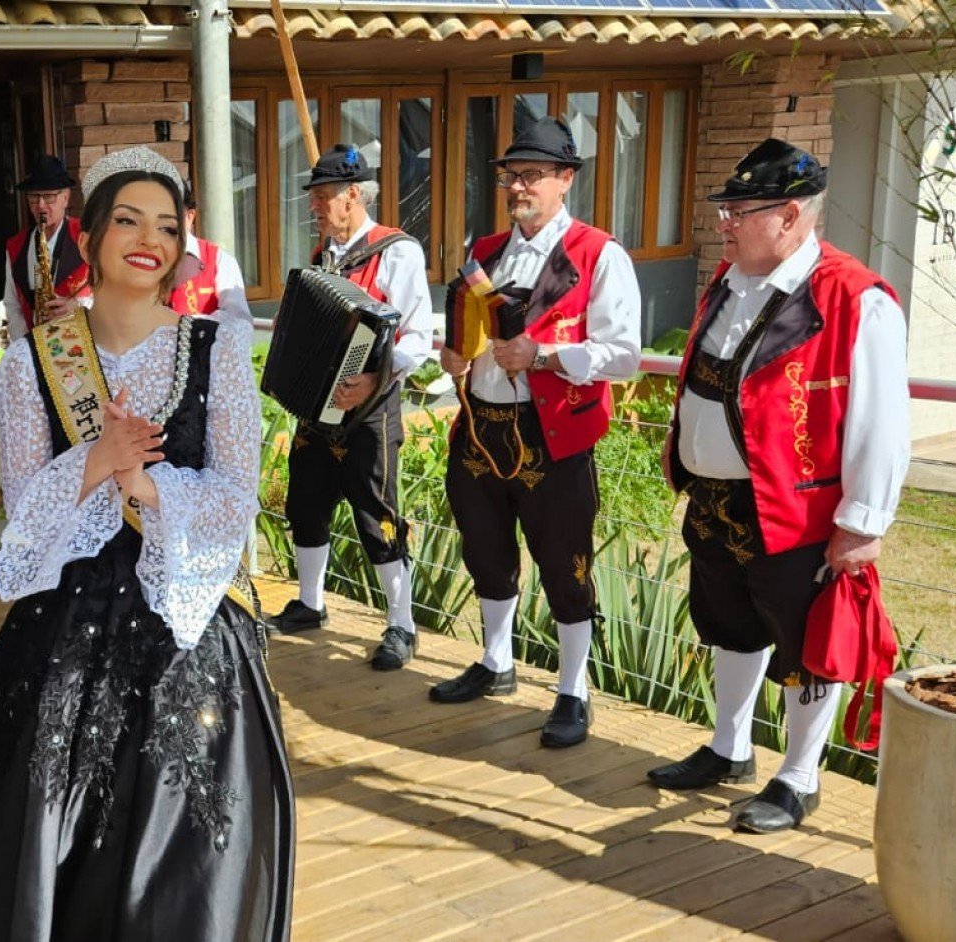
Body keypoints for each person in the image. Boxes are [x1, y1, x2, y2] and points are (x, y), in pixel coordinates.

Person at [0, 145, 294, 941]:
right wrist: (95, 464)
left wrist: (147, 485)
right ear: (86, 237)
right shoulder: (28, 363)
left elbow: (234, 497)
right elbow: (21, 516)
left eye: (165, 224)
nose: (147, 239)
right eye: (126, 219)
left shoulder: (216, 350)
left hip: (183, 625)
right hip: (60, 632)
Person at [648, 138, 908, 833]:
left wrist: (863, 521)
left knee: (804, 642)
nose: (723, 222)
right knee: (730, 624)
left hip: (797, 509)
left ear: (791, 215)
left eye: (739, 210)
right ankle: (729, 749)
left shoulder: (855, 300)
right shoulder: (729, 282)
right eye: (724, 209)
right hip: (719, 500)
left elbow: (881, 420)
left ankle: (798, 775)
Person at [431, 117, 643, 749]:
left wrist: (545, 354)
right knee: (485, 548)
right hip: (481, 427)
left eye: (531, 175)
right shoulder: (485, 251)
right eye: (510, 175)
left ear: (565, 179)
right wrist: (455, 355)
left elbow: (626, 353)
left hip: (554, 435)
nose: (517, 186)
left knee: (564, 562)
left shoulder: (600, 252)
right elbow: (468, 328)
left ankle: (572, 690)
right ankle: (497, 662)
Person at [267, 144, 438, 663]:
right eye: (315, 198)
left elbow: (419, 338)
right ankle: (310, 603)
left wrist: (371, 380)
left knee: (376, 514)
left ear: (353, 195)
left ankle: (401, 625)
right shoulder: (324, 258)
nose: (314, 207)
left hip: (371, 410)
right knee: (306, 502)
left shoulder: (397, 252)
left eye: (322, 197)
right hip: (318, 410)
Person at [0, 154, 90, 335]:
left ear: (66, 198)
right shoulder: (15, 246)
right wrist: (27, 344)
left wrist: (79, 306)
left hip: (82, 344)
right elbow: (12, 304)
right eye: (34, 197)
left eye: (49, 197)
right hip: (35, 344)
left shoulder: (88, 237)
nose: (40, 205)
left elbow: (111, 291)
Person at [170, 176, 252, 322]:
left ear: (189, 217)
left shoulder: (220, 261)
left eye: (170, 214)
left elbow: (239, 321)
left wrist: (184, 326)